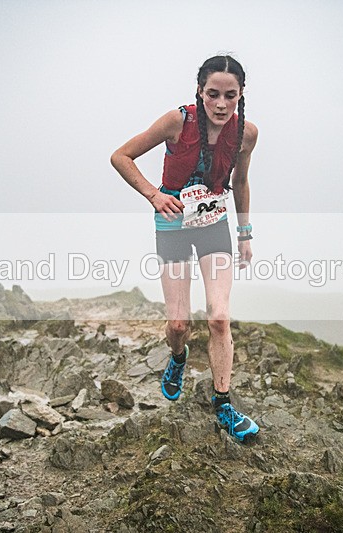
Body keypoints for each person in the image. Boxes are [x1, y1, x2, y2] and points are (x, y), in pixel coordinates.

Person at [111, 55, 260, 443]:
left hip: (214, 225)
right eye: (213, 94)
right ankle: (178, 357)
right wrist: (154, 194)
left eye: (230, 95)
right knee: (179, 325)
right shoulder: (178, 121)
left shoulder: (246, 133)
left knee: (219, 317)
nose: (221, 104)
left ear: (241, 94)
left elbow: (241, 181)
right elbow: (121, 156)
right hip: (173, 226)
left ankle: (223, 403)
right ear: (200, 91)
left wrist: (245, 233)